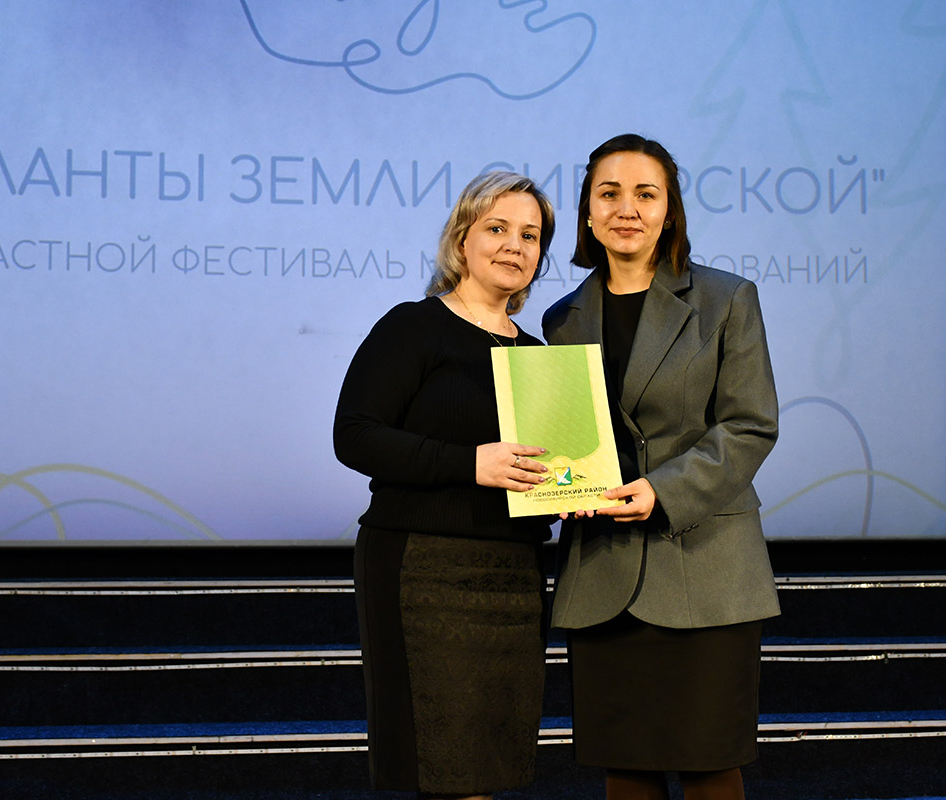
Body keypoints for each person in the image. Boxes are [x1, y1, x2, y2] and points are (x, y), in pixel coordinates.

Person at [542, 134, 780, 800]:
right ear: (588, 214)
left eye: (645, 194)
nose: (627, 209)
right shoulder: (562, 320)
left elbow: (750, 425)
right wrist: (559, 487)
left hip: (705, 565)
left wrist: (661, 491)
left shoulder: (727, 299)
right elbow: (565, 444)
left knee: (709, 764)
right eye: (609, 194)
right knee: (626, 767)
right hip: (603, 573)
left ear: (669, 210)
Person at [333, 171, 556, 799]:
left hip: (515, 575)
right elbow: (355, 435)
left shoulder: (541, 357)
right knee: (444, 770)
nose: (514, 245)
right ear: (462, 241)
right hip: (423, 571)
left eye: (530, 235)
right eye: (497, 228)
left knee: (490, 769)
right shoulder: (413, 326)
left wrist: (576, 494)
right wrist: (470, 464)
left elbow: (547, 470)